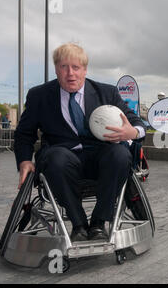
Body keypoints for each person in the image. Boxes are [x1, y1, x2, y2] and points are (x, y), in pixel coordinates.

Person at [14, 43, 145, 242]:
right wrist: (24, 161)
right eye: (64, 67)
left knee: (120, 154)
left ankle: (99, 223)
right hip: (62, 161)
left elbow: (137, 123)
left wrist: (133, 132)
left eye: (76, 67)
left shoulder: (106, 93)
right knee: (56, 158)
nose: (70, 73)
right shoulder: (39, 95)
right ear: (56, 69)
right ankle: (79, 224)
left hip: (100, 160)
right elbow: (24, 134)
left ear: (85, 69)